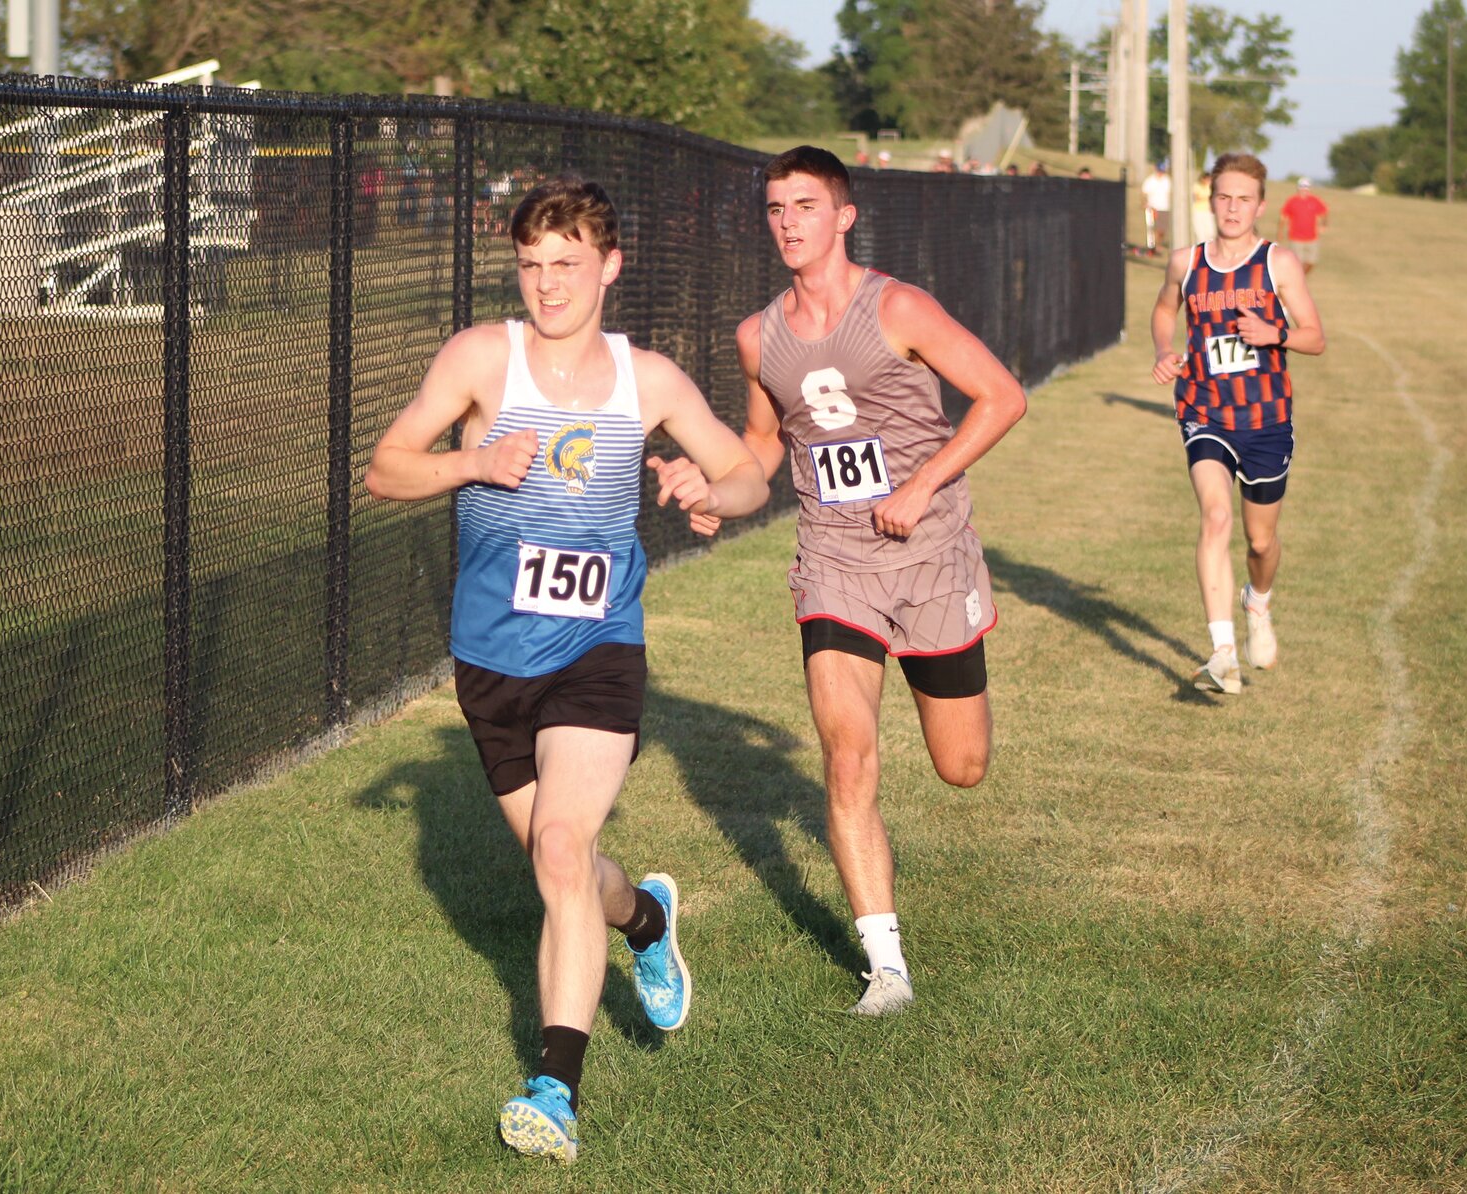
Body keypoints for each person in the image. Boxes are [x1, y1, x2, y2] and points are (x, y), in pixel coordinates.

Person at [364, 176, 769, 1163]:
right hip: (491, 662)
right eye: (533, 266)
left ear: (610, 267)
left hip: (597, 650)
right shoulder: (479, 358)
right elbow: (384, 468)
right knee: (574, 872)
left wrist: (699, 480)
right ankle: (647, 918)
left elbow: (754, 476)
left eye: (568, 266)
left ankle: (554, 1088)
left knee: (557, 851)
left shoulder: (652, 381)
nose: (548, 286)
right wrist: (469, 465)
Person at [694, 146, 1026, 1014]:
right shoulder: (757, 335)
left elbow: (1001, 396)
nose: (788, 222)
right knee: (848, 757)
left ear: (844, 216)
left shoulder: (900, 307)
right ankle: (888, 969)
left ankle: (890, 939)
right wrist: (719, 495)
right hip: (834, 561)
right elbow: (764, 446)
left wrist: (920, 486)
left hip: (931, 555)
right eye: (775, 208)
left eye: (805, 205)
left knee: (963, 766)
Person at [1150, 152, 1325, 694]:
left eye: (1243, 199)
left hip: (1267, 418)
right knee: (1216, 518)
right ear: (1211, 198)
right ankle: (1222, 651)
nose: (1232, 208)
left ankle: (1259, 602)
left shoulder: (1279, 264)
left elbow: (1316, 336)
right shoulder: (1186, 262)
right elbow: (1163, 310)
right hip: (1204, 412)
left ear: (1260, 205)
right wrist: (1165, 349)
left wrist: (1275, 334)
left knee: (1259, 542)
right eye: (1223, 196)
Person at [1278, 177, 1330, 275]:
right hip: (1296, 238)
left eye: (1306, 188)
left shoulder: (1314, 200)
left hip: (1312, 238)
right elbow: (1283, 217)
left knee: (1312, 262)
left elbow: (1324, 212)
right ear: (1298, 188)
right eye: (1302, 187)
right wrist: (1280, 232)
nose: (1304, 190)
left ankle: (1300, 278)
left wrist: (1324, 225)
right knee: (1297, 263)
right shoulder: (1292, 201)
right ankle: (1298, 280)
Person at [1142, 160, 1172, 254]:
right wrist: (1145, 202)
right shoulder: (1150, 180)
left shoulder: (1167, 180)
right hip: (1152, 207)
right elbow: (1144, 192)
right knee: (1152, 228)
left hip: (1164, 207)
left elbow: (1171, 193)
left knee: (1162, 229)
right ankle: (1152, 247)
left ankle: (1158, 245)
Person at [1191, 170, 1214, 243]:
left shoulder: (1210, 187)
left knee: (1210, 232)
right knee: (1200, 233)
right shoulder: (1197, 186)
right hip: (1198, 211)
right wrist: (1207, 197)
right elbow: (1197, 197)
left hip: (1207, 211)